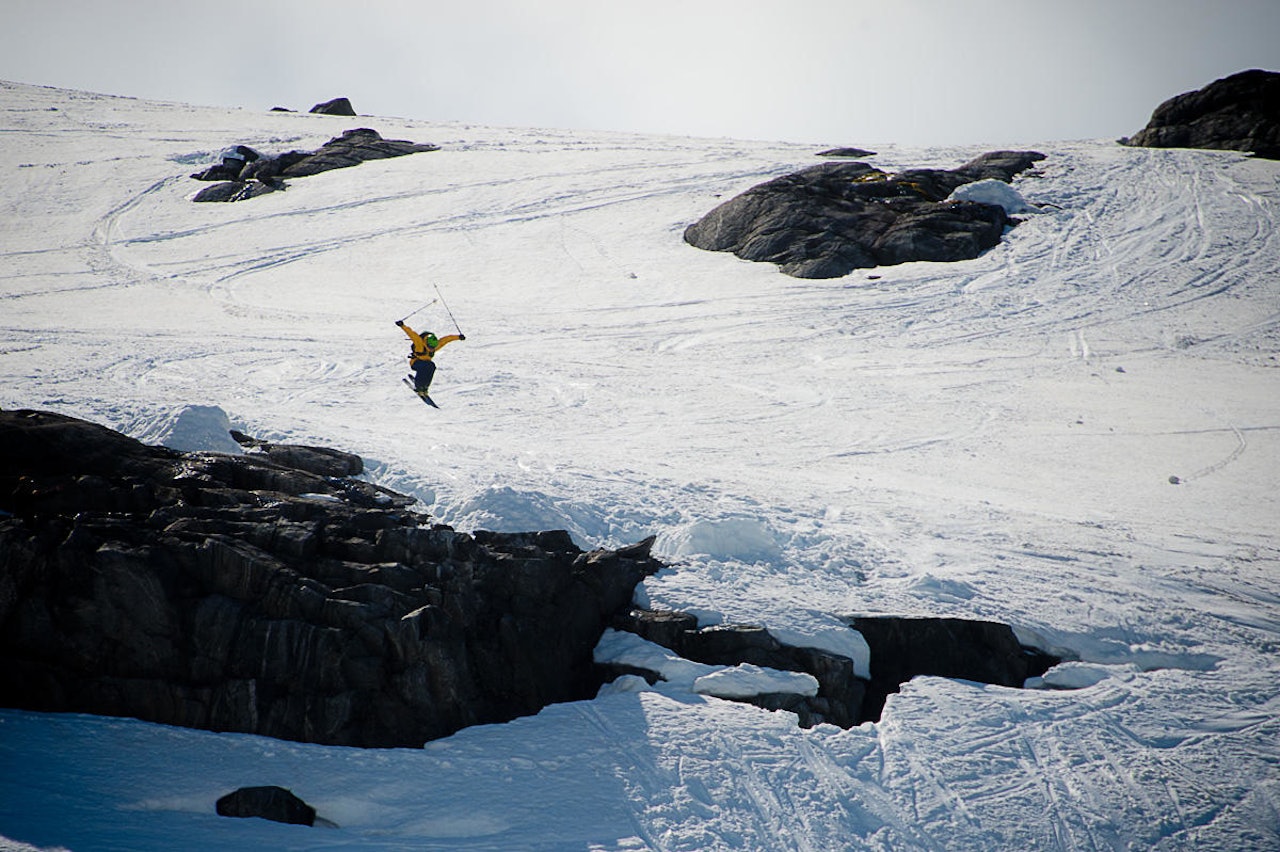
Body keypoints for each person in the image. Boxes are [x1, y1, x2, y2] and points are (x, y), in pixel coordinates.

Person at [396, 320, 464, 397]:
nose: (432, 349)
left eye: (433, 347)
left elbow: (446, 339)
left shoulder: (435, 346)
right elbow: (413, 335)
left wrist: (458, 337)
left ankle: (425, 387)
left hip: (426, 364)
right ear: (427, 343)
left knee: (432, 367)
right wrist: (402, 326)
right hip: (415, 362)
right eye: (430, 347)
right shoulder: (420, 345)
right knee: (426, 366)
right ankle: (419, 386)